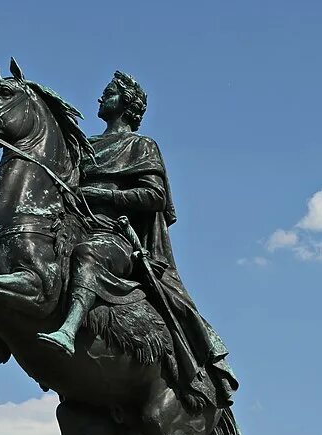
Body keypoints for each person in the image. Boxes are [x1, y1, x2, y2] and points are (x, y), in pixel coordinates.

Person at [40, 71, 238, 409]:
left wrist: (101, 193)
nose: (100, 99)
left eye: (108, 94)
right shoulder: (85, 145)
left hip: (115, 236)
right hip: (75, 225)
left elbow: (154, 195)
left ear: (127, 105)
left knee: (87, 254)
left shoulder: (141, 146)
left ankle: (69, 330)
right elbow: (51, 187)